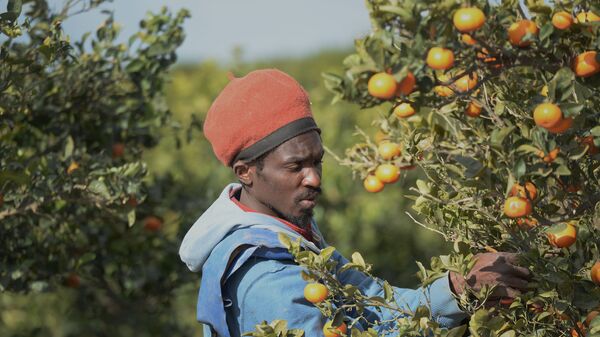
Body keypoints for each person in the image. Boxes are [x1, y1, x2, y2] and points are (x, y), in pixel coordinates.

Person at [179, 69, 530, 337]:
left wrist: (459, 288)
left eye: (316, 161)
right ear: (246, 172)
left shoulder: (288, 231)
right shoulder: (268, 275)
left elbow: (375, 306)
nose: (314, 178)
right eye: (295, 166)